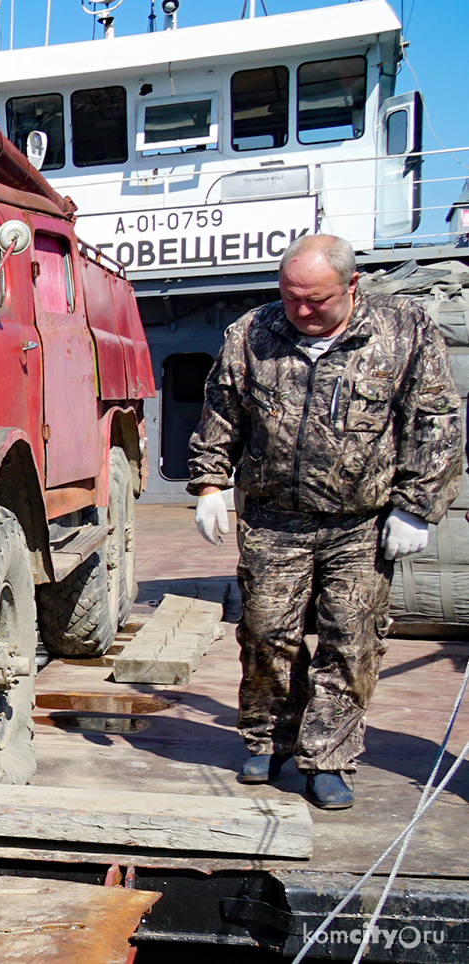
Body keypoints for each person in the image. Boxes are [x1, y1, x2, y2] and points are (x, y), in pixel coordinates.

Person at [189, 234, 463, 809]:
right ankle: (270, 740)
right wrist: (211, 483)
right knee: (265, 635)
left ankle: (328, 757)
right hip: (273, 521)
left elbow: (435, 421)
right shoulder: (252, 334)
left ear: (352, 286)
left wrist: (417, 505)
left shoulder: (402, 331)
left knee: (351, 641)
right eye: (291, 298)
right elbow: (222, 409)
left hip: (359, 524)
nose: (303, 312)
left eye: (317, 300)